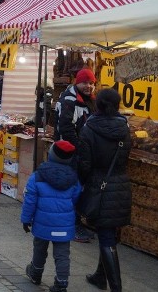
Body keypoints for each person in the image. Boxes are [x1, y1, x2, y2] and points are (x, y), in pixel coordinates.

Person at [78, 88, 131, 292]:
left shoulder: (89, 127)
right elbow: (125, 156)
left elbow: (85, 163)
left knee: (107, 235)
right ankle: (100, 277)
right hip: (120, 183)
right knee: (108, 230)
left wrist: (82, 184)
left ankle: (116, 288)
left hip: (100, 184)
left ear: (98, 104)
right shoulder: (125, 127)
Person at [21, 140, 81, 292]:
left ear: (51, 154)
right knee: (62, 254)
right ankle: (61, 283)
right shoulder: (74, 179)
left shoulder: (38, 176)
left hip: (43, 222)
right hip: (64, 224)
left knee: (40, 248)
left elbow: (30, 200)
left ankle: (35, 273)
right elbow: (75, 198)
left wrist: (26, 219)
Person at [55, 67, 97, 243]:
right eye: (85, 82)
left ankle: (74, 221)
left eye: (91, 83)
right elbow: (66, 129)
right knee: (73, 190)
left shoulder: (88, 100)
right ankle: (72, 225)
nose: (88, 86)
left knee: (78, 188)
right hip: (70, 153)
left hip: (80, 151)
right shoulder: (70, 100)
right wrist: (80, 148)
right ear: (77, 82)